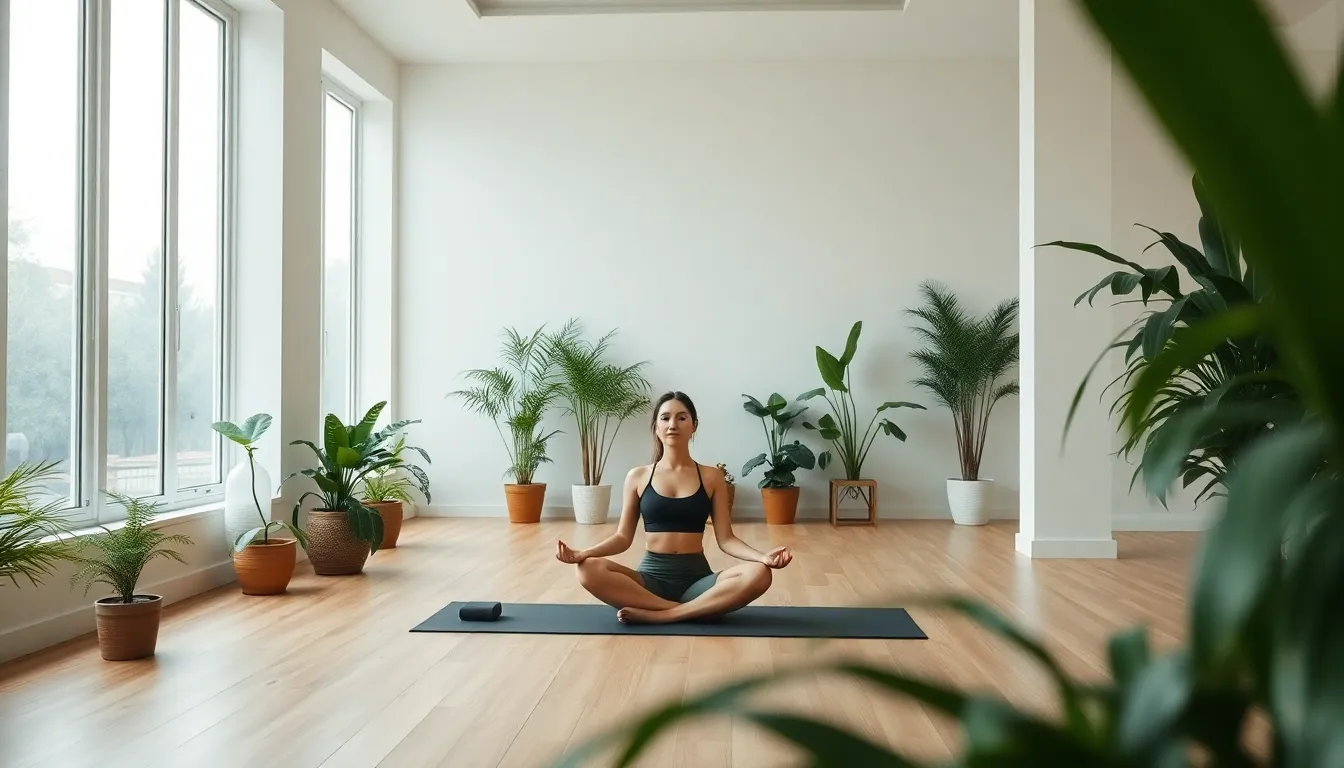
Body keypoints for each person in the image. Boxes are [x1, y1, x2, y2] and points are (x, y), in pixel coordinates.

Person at [556, 391, 793, 624]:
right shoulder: (638, 477)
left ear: (694, 425)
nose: (673, 424)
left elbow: (726, 539)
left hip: (698, 582)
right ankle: (693, 610)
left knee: (760, 573)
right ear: (656, 426)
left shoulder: (712, 477)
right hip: (649, 583)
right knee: (586, 569)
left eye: (681, 417)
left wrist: (762, 557)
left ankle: (666, 615)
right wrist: (583, 554)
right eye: (665, 417)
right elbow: (622, 537)